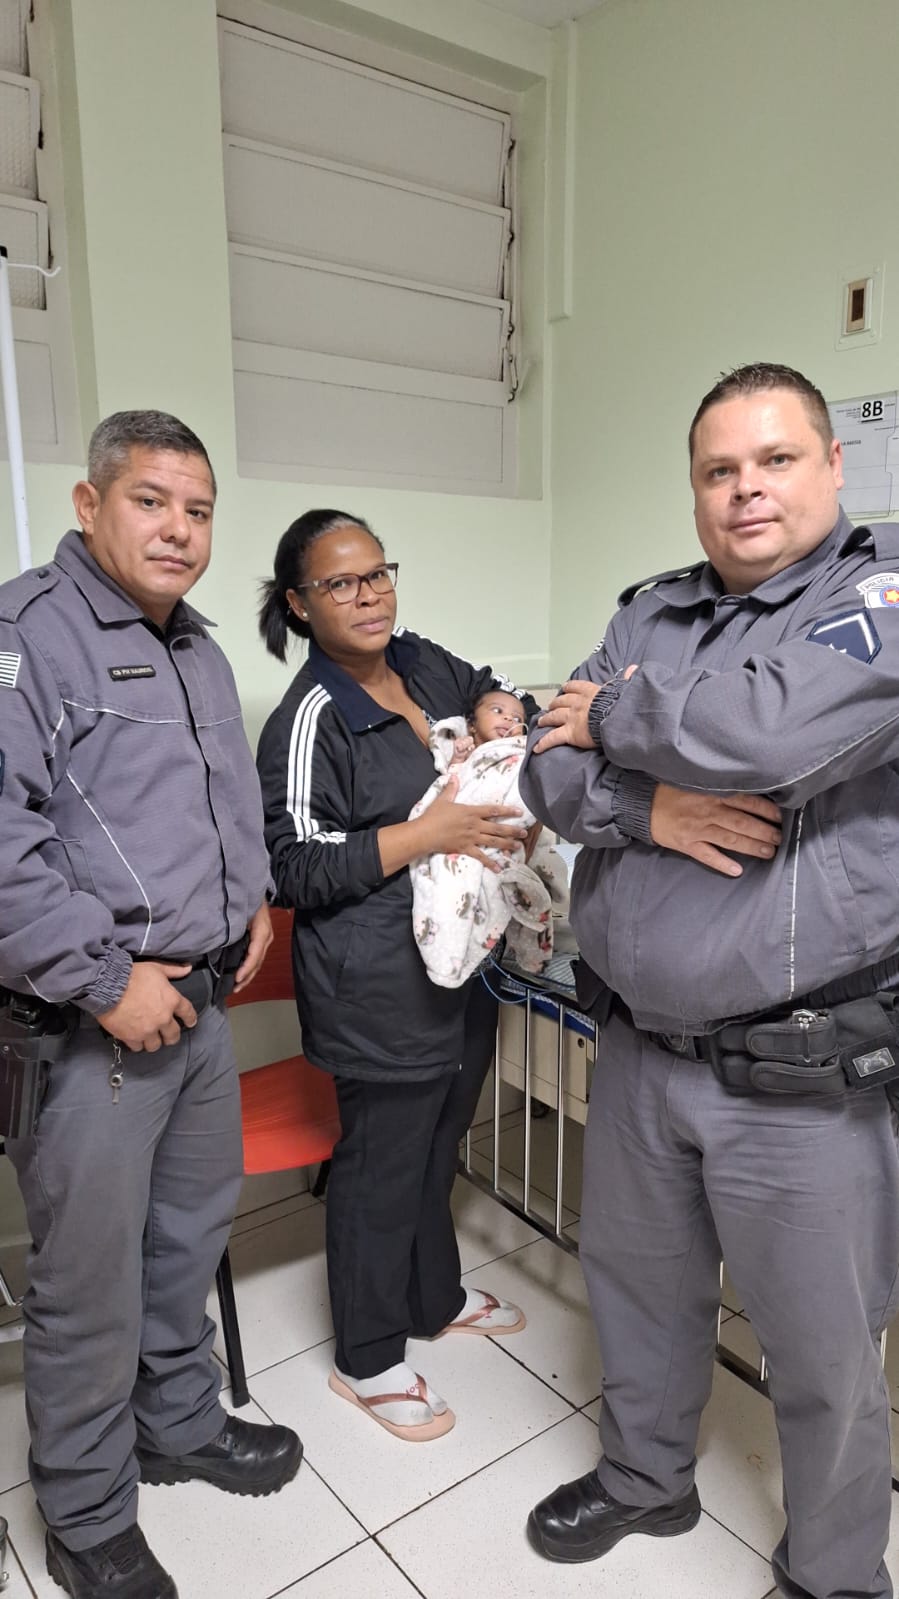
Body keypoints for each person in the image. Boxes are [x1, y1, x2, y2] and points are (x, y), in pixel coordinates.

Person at [519, 363, 899, 1599]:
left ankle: (833, 1571)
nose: (744, 492)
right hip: (634, 1049)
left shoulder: (876, 590)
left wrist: (614, 718)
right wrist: (654, 803)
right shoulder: (653, 610)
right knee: (635, 1294)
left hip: (798, 1075)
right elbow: (540, 770)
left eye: (773, 461)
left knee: (823, 1354)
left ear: (830, 467)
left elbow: (771, 736)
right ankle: (644, 1480)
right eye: (717, 471)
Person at [0, 412, 302, 1599]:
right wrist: (102, 979)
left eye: (199, 509)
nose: (179, 530)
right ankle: (83, 1510)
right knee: (89, 1283)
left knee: (186, 1243)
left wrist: (257, 903)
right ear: (89, 505)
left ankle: (178, 1422)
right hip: (95, 1027)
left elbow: (212, 806)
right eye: (151, 501)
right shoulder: (30, 636)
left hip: (202, 1005)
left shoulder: (198, 648)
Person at [257, 509, 536, 1442]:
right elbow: (292, 867)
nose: (368, 594)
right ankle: (368, 1358)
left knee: (439, 1138)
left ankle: (433, 1297)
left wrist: (499, 706)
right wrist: (426, 833)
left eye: (377, 573)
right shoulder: (310, 718)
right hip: (372, 977)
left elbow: (489, 685)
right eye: (340, 583)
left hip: (460, 955)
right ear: (299, 604)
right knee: (380, 1164)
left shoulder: (416, 659)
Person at [409, 687, 568, 987]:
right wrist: (457, 755)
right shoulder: (464, 749)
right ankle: (447, 955)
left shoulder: (520, 752)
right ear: (470, 724)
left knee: (540, 869)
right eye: (497, 711)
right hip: (465, 836)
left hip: (513, 834)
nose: (508, 717)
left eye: (517, 716)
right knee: (454, 879)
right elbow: (451, 778)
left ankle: (534, 941)